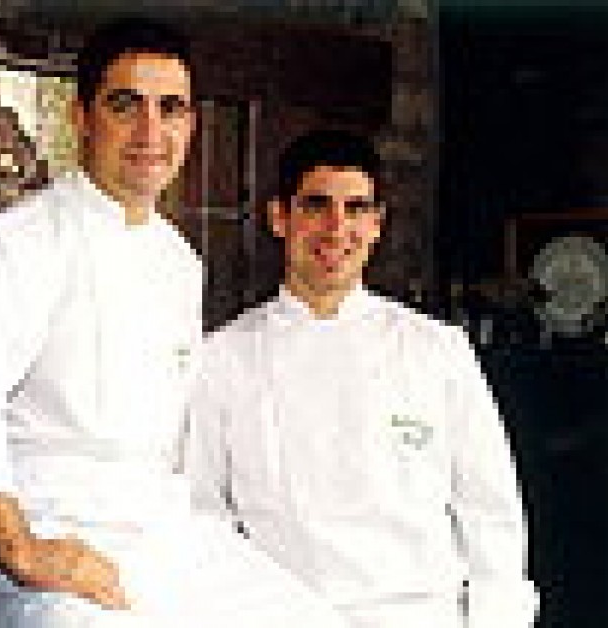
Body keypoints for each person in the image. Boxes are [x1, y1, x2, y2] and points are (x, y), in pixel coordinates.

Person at [0, 18, 345, 628]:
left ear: (191, 125)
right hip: (41, 533)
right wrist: (23, 552)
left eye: (171, 109)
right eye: (125, 105)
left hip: (161, 533)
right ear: (80, 117)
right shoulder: (21, 243)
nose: (150, 132)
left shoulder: (179, 261)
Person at [186, 129, 539, 628]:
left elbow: (490, 513)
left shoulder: (437, 351)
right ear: (279, 218)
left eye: (356, 209)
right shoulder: (224, 358)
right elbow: (204, 518)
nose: (337, 229)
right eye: (316, 206)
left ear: (376, 224)